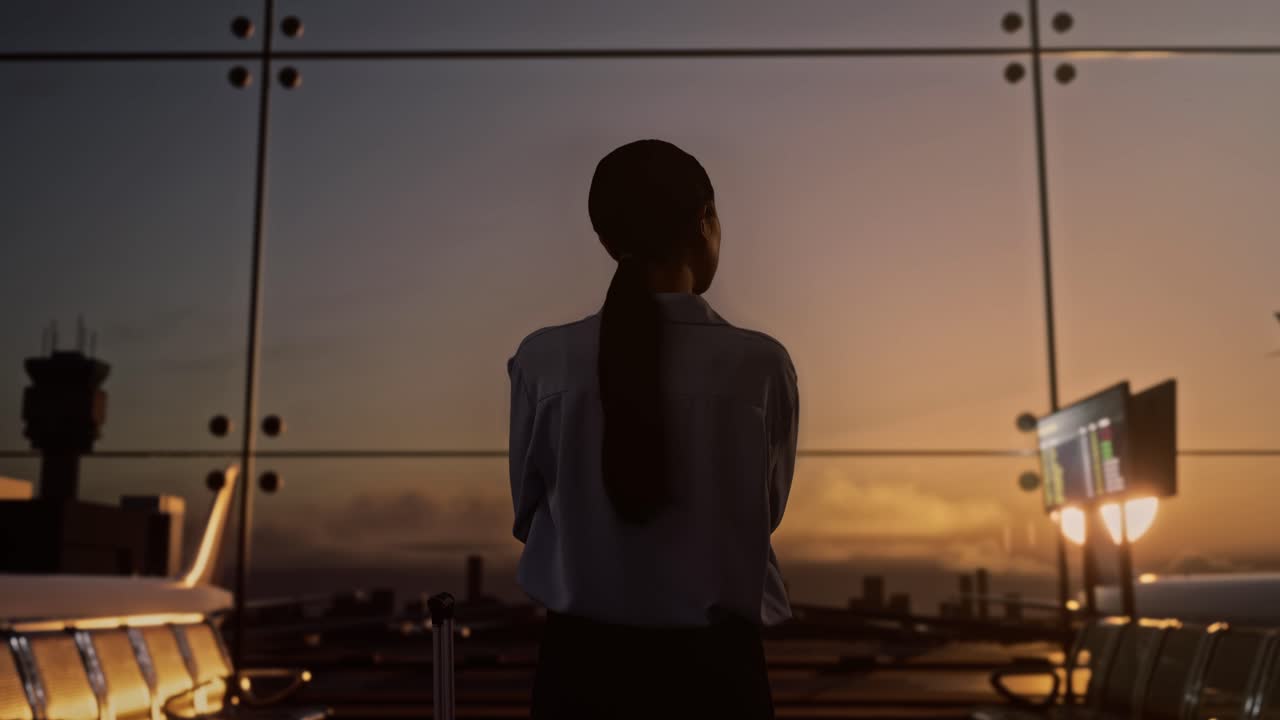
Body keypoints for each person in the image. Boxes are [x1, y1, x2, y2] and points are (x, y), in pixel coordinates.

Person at [507, 139, 799, 719]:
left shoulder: (542, 361)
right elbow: (766, 511)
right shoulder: (760, 367)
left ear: (608, 243)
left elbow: (529, 509)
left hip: (579, 675)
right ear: (705, 220)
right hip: (718, 680)